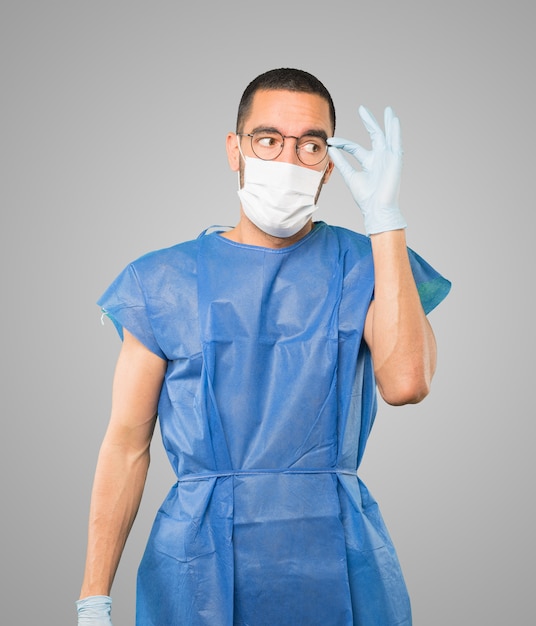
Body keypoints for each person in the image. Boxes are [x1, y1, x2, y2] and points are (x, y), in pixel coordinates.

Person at [77, 67, 451, 625]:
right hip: (198, 567)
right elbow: (126, 446)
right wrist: (93, 597)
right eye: (268, 140)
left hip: (338, 554)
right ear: (235, 149)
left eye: (311, 145)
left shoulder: (368, 265)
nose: (287, 159)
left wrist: (386, 223)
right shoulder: (163, 280)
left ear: (328, 163)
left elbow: (406, 384)